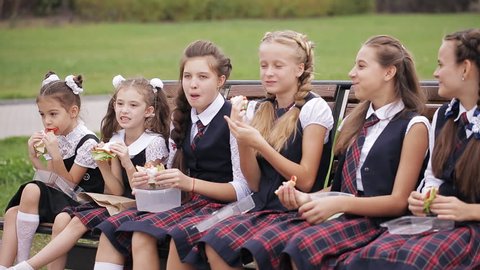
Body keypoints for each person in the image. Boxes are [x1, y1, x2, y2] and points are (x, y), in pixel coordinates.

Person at [91, 40, 251, 270]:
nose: (193, 85)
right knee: (118, 230)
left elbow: (244, 189)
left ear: (220, 81)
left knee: (180, 238)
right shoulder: (185, 117)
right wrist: (149, 179)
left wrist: (189, 183)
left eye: (203, 77)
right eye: (187, 76)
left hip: (226, 206)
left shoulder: (233, 118)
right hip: (187, 201)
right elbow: (169, 175)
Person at [183, 30, 334, 270]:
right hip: (259, 206)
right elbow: (254, 184)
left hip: (293, 211)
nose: (268, 72)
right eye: (264, 65)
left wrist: (259, 144)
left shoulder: (313, 109)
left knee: (233, 244)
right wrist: (242, 137)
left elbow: (305, 180)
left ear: (299, 69)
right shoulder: (260, 109)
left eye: (278, 66)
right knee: (208, 240)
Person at [342, 28, 480, 270]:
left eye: (440, 64)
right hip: (443, 224)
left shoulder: (417, 124)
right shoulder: (444, 118)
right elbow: (432, 178)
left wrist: (468, 210)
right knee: (373, 253)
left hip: (472, 230)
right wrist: (423, 198)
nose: (435, 72)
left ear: (465, 69)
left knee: (410, 261)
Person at [7, 75, 170, 270]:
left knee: (79, 222)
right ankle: (27, 266)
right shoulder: (116, 138)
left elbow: (144, 190)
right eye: (119, 103)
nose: (124, 110)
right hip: (118, 204)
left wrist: (127, 162)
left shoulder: (154, 143)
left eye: (133, 105)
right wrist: (102, 164)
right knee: (63, 219)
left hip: (142, 206)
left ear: (149, 111)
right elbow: (115, 191)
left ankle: (28, 266)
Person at [0, 72, 105, 269]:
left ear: (73, 112)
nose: (47, 121)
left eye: (53, 114)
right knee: (13, 213)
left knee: (31, 190)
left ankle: (23, 263)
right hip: (62, 196)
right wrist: (34, 158)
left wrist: (56, 155)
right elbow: (50, 181)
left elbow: (70, 184)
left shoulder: (87, 141)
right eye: (42, 114)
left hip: (82, 201)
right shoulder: (57, 137)